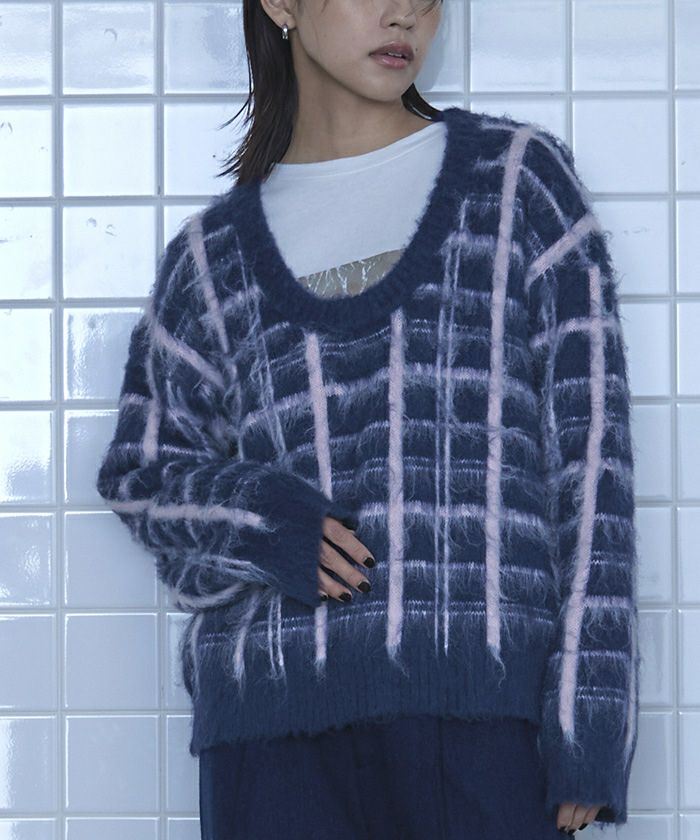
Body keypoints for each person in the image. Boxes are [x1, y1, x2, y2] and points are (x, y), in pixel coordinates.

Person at [95, 0, 641, 835]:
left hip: (482, 730)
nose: (406, 11)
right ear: (281, 3)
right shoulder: (211, 260)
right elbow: (141, 475)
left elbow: (593, 455)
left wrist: (591, 717)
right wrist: (264, 521)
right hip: (273, 748)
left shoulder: (517, 186)